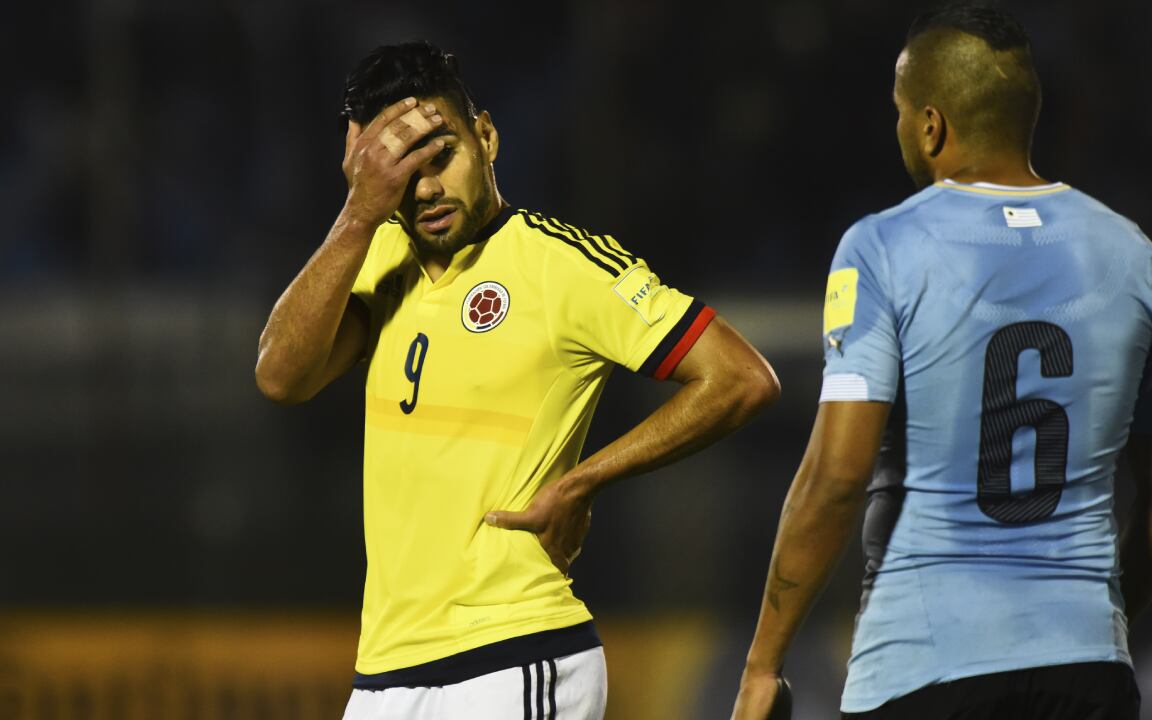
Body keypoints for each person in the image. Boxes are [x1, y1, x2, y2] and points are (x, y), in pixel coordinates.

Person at [254, 41, 779, 719]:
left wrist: (584, 481)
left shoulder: (562, 265)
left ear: (487, 137)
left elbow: (741, 377)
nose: (426, 189)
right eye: (402, 172)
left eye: (441, 155)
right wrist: (358, 213)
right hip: (385, 673)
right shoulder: (379, 252)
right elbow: (281, 376)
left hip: (513, 654)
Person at [731, 3, 1152, 719]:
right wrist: (1094, 623)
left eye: (899, 111)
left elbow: (836, 476)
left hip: (924, 666)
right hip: (1088, 670)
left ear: (931, 126)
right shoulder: (1134, 254)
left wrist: (763, 665)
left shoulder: (882, 247)